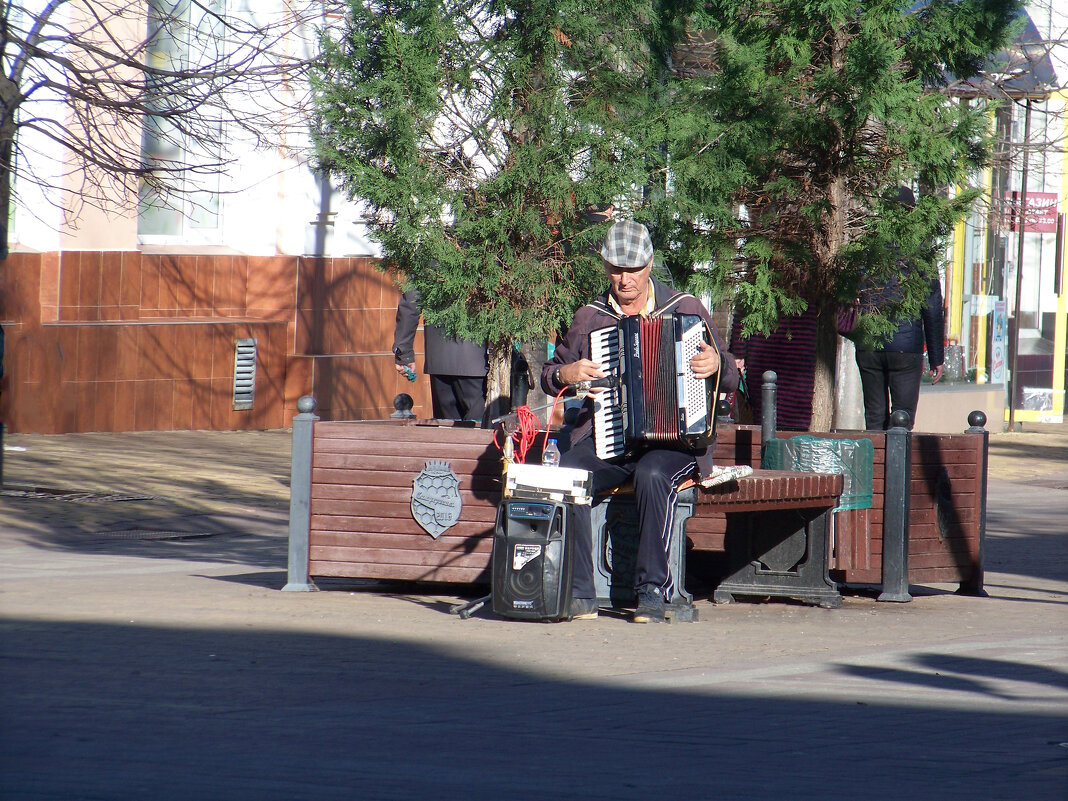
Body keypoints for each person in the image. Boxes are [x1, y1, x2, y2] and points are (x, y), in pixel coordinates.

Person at [540, 220, 739, 623]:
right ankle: (580, 594)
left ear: (650, 264)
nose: (624, 278)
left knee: (652, 471)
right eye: (615, 269)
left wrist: (718, 363)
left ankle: (651, 591)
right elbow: (549, 374)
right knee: (570, 472)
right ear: (604, 266)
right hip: (609, 441)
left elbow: (732, 375)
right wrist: (569, 373)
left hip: (678, 444)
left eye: (632, 269)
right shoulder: (590, 318)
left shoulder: (685, 309)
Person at [854, 189, 945, 430]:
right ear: (911, 212)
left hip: (869, 344)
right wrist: (937, 356)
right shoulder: (920, 245)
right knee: (901, 420)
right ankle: (897, 469)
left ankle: (873, 467)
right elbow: (932, 303)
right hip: (905, 346)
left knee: (874, 417)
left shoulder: (867, 242)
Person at [392, 288, 489, 424]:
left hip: (439, 359)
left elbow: (411, 301)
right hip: (478, 361)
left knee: (446, 431)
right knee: (480, 431)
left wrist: (404, 353)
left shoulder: (426, 265)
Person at [728, 305, 818, 430]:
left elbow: (745, 307)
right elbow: (846, 324)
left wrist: (738, 352)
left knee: (766, 425)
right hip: (800, 361)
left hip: (765, 358)